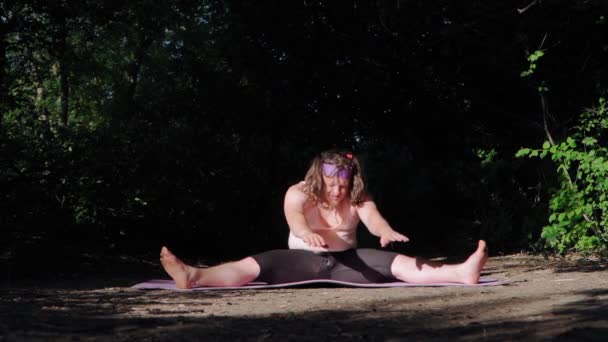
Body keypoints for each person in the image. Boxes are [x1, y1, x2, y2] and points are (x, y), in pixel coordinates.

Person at [160, 149, 488, 288]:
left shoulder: (358, 195)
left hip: (348, 261)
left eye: (343, 185)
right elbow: (294, 218)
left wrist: (386, 230)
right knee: (253, 265)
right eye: (332, 185)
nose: (337, 192)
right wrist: (307, 234)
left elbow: (373, 219)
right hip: (301, 260)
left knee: (398, 262)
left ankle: (461, 272)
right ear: (320, 179)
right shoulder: (299, 192)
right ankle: (194, 277)